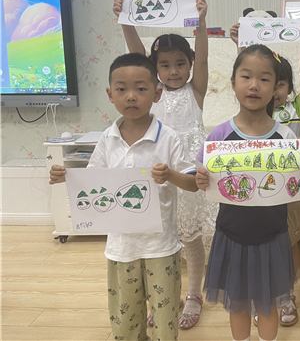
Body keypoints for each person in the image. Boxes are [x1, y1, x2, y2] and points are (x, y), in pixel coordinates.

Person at [49, 53, 199, 341]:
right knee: (126, 321)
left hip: (161, 247)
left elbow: (192, 184)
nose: (131, 96)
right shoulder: (107, 139)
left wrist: (170, 175)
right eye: (122, 89)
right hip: (121, 249)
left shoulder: (168, 137)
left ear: (156, 94)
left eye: (141, 88)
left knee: (165, 323)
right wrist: (66, 176)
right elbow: (92, 183)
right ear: (110, 94)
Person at [194, 44, 300, 341]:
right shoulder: (220, 135)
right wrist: (199, 177)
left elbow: (295, 180)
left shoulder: (285, 137)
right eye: (246, 76)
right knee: (237, 304)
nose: (254, 85)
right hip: (231, 234)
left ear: (276, 88)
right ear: (233, 82)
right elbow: (199, 172)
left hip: (272, 236)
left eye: (264, 79)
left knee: (268, 305)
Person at [113, 0, 217, 329]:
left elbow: (203, 57)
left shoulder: (195, 90)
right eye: (165, 65)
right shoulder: (150, 92)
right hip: (156, 174)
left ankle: (194, 293)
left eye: (180, 64)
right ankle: (163, 297)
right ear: (154, 69)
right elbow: (137, 53)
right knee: (160, 237)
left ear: (190, 64)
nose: (173, 71)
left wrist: (201, 21)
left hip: (185, 175)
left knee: (191, 237)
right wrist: (127, 19)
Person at [230, 17, 300, 327]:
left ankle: (286, 294)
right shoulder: (252, 111)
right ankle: (260, 295)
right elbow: (247, 74)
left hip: (287, 194)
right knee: (255, 245)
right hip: (253, 196)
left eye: (280, 83)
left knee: (289, 243)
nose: (271, 88)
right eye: (270, 82)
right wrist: (240, 44)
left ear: (288, 88)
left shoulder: (295, 110)